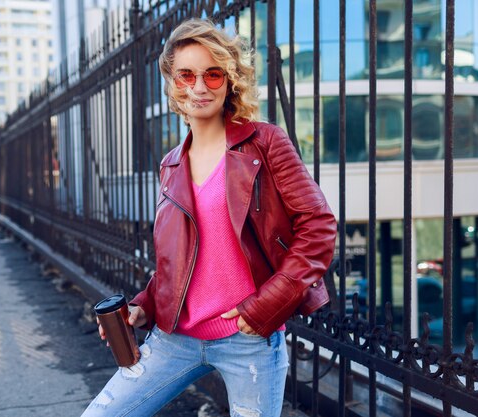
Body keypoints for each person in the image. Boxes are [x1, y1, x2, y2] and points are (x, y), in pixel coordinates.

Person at [82, 19, 337, 417]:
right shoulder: (171, 163)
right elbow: (179, 259)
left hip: (248, 339)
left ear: (229, 80)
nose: (199, 87)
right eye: (186, 75)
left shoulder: (265, 142)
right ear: (172, 83)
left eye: (212, 74)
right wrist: (143, 305)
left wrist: (265, 305)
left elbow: (318, 227)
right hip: (174, 338)